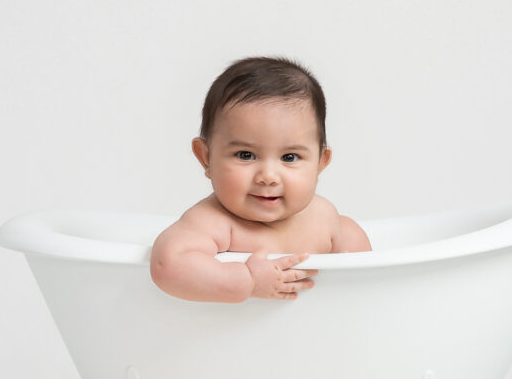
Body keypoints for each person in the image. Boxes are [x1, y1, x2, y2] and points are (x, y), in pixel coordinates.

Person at [150, 57, 371, 302]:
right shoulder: (212, 223)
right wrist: (247, 281)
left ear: (320, 162)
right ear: (206, 158)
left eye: (289, 157)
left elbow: (366, 285)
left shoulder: (327, 219)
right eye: (246, 155)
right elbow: (166, 265)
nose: (267, 176)